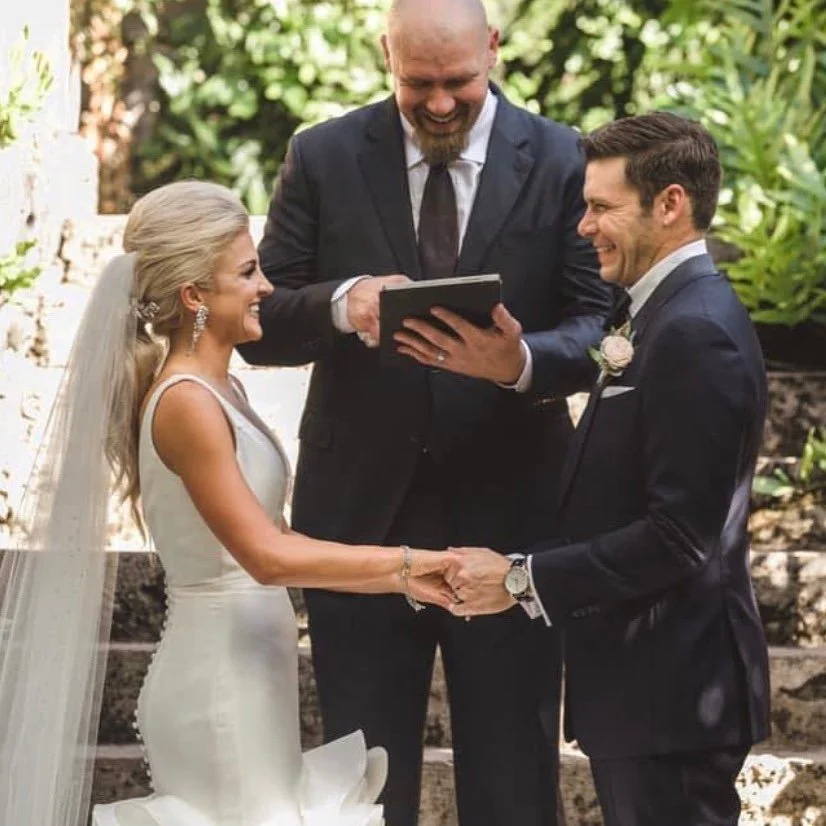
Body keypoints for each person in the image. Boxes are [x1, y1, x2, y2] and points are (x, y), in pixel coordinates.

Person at [237, 0, 611, 823]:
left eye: (459, 83)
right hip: (359, 520)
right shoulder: (323, 154)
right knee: (361, 786)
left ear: (495, 52)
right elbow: (257, 325)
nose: (439, 104)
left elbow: (603, 326)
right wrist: (344, 303)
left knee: (515, 782)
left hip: (515, 519)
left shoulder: (563, 158)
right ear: (385, 58)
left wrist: (519, 362)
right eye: (417, 83)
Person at [0, 180, 459, 826]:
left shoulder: (222, 389)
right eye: (247, 272)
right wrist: (409, 568)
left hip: (249, 671)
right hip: (218, 681)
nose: (267, 287)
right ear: (195, 295)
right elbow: (266, 556)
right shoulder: (185, 401)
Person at [447, 112, 772, 826]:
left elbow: (680, 535)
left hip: (674, 695)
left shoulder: (695, 331)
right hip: (646, 695)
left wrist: (518, 579)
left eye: (600, 208)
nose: (584, 227)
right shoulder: (655, 317)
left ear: (671, 203)